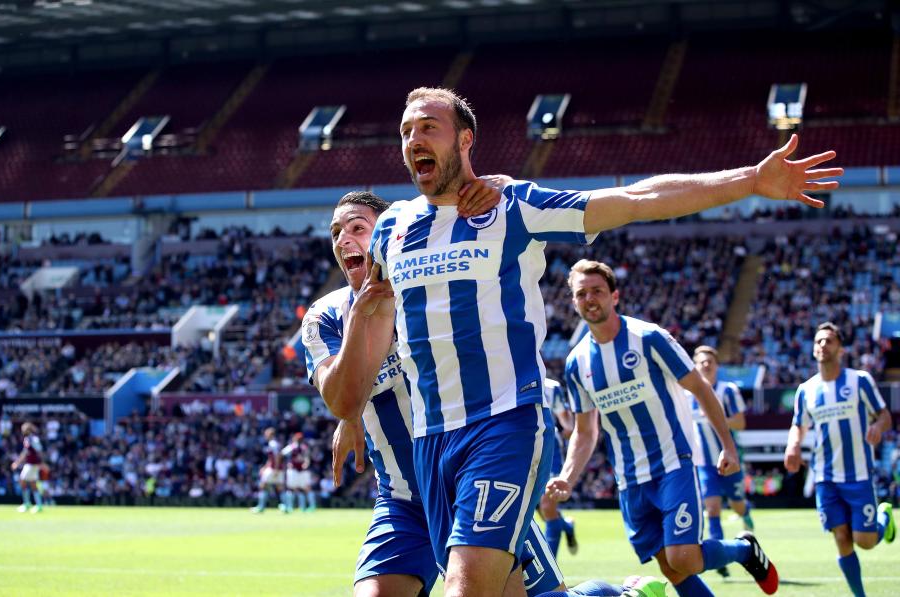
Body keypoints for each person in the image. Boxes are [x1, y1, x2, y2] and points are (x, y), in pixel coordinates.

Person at [353, 85, 838, 596]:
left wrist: (750, 179)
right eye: (406, 131)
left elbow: (635, 199)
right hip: (431, 439)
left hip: (503, 423)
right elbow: (375, 320)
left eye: (429, 127)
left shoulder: (512, 207)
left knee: (465, 589)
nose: (413, 139)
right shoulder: (392, 228)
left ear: (465, 140)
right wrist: (350, 413)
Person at [306, 188, 574, 596]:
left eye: (357, 227)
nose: (344, 239)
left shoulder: (435, 292)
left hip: (467, 487)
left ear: (387, 234)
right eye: (335, 232)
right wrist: (349, 413)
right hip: (403, 500)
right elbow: (341, 393)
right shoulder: (325, 316)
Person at [546, 259, 778, 597]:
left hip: (674, 462)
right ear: (573, 302)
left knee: (683, 557)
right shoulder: (576, 363)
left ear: (615, 295)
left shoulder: (649, 338)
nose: (590, 299)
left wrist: (727, 445)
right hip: (629, 477)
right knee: (671, 568)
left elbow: (701, 388)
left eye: (597, 291)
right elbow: (585, 430)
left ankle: (744, 549)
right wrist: (568, 475)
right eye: (581, 294)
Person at [783, 322, 895, 597]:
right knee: (842, 538)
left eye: (829, 341)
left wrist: (877, 428)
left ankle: (883, 518)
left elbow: (885, 416)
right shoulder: (806, 390)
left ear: (841, 349)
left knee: (865, 541)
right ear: (813, 349)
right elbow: (799, 424)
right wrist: (793, 446)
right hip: (825, 477)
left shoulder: (860, 381)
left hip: (858, 474)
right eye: (819, 341)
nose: (823, 345)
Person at [687, 345, 755, 577]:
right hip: (704, 463)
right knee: (712, 508)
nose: (706, 365)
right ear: (695, 366)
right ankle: (720, 559)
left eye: (710, 362)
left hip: (730, 459)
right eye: (701, 362)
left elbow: (740, 422)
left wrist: (717, 418)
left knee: (737, 504)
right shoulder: (687, 395)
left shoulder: (727, 391)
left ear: (716, 366)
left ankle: (745, 513)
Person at [539, 378, 578, 557]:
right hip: (521, 446)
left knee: (547, 505)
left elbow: (568, 424)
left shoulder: (550, 387)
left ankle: (550, 567)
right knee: (540, 510)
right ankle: (566, 526)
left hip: (549, 447)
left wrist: (568, 430)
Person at [11, 422, 45, 513]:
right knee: (32, 484)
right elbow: (25, 452)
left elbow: (39, 449)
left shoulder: (33, 439)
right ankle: (36, 505)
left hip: (32, 464)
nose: (23, 431)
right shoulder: (27, 439)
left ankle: (29, 503)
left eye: (24, 429)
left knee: (23, 480)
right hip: (30, 464)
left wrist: (41, 462)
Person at [281, 432, 314, 513]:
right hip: (299, 471)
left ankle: (290, 507)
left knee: (293, 489)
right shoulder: (302, 447)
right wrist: (306, 463)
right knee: (302, 489)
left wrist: (288, 463)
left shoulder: (294, 447)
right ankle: (307, 507)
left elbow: (282, 453)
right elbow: (307, 458)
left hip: (295, 471)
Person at [253, 427, 283, 513]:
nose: (265, 436)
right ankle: (284, 506)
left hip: (274, 469)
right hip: (274, 468)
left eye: (266, 434)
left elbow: (277, 456)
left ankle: (261, 507)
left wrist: (276, 469)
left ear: (270, 435)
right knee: (279, 487)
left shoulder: (273, 444)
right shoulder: (273, 443)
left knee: (263, 485)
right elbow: (271, 459)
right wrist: (265, 467)